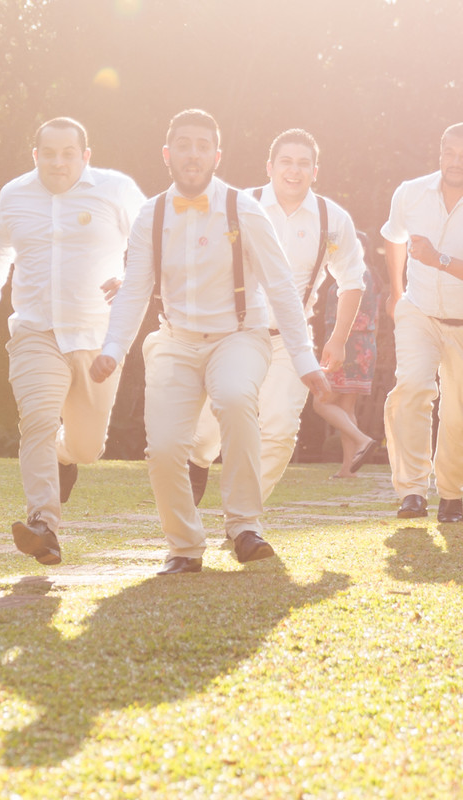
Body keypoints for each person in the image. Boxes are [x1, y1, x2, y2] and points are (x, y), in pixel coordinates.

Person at [91, 109, 329, 575]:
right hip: (175, 340)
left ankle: (244, 526)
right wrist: (113, 349)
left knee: (236, 399)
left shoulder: (244, 209)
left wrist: (304, 359)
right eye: (184, 145)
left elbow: (281, 287)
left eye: (203, 146)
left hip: (239, 336)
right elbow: (135, 287)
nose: (193, 154)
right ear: (167, 154)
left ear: (217, 156)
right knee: (163, 448)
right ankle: (183, 546)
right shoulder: (151, 214)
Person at [0, 117, 145, 566]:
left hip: (98, 337)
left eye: (68, 154)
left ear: (85, 156)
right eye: (49, 153)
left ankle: (65, 455)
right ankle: (43, 524)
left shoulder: (116, 190)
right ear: (35, 155)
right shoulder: (15, 194)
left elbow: (151, 242)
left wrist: (131, 279)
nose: (58, 162)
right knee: (38, 419)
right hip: (36, 332)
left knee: (87, 448)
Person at [187, 128, 369, 505]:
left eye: (303, 164)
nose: (294, 170)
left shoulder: (332, 219)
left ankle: (243, 514)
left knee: (280, 430)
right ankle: (198, 461)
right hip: (231, 335)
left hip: (289, 341)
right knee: (207, 431)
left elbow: (353, 280)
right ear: (269, 167)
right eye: (286, 162)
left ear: (315, 171)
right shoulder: (238, 206)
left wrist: (338, 339)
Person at [381, 122, 463, 523]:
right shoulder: (411, 192)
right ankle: (411, 491)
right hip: (418, 312)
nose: (456, 162)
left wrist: (439, 259)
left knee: (458, 417)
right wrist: (396, 292)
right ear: (440, 153)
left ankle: (451, 494)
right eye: (449, 153)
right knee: (411, 389)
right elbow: (394, 236)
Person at [313, 230, 382, 478]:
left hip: (347, 345)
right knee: (346, 407)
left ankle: (363, 440)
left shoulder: (356, 273)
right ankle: (348, 468)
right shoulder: (371, 275)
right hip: (364, 346)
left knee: (321, 402)